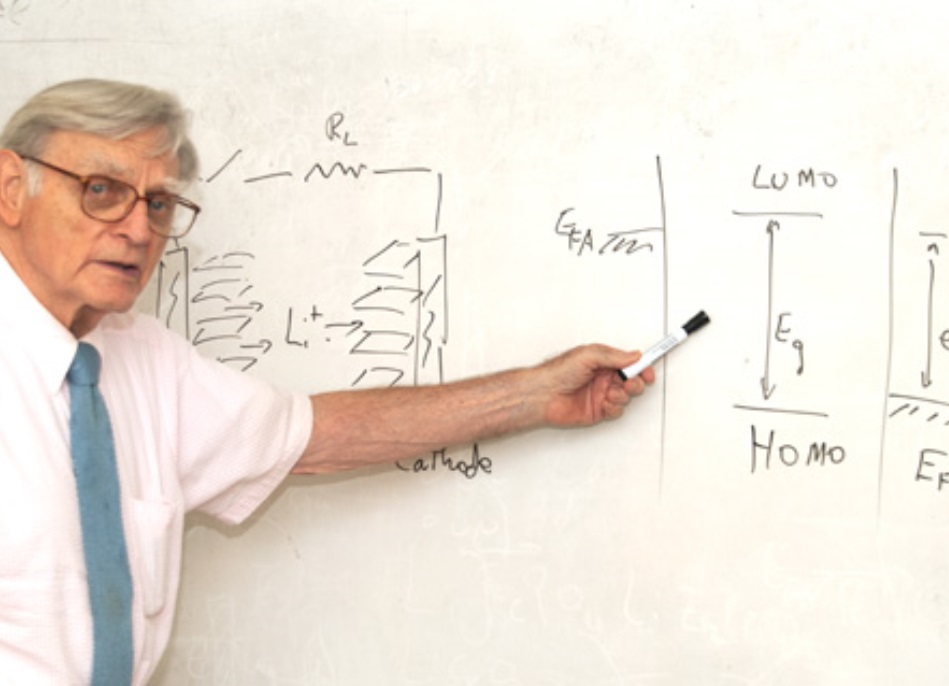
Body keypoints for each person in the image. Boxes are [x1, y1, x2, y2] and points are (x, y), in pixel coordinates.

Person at [0, 78, 654, 684]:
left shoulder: (141, 360)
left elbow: (317, 436)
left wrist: (536, 393)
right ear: (9, 189)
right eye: (101, 191)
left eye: (160, 203)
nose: (139, 229)